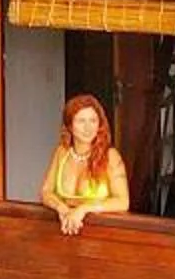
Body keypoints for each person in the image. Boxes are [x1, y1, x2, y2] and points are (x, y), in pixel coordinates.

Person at [42, 93, 131, 235]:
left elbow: (122, 202)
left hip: (101, 234)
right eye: (81, 121)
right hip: (64, 230)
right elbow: (46, 192)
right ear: (70, 125)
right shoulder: (62, 152)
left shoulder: (110, 156)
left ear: (100, 125)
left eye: (93, 121)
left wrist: (83, 209)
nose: (88, 128)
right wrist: (62, 209)